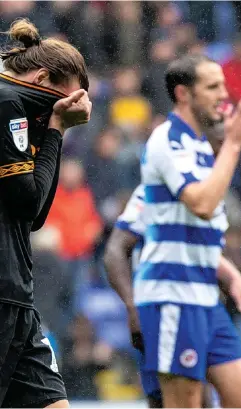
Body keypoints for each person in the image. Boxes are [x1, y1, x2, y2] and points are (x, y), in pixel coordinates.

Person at [134, 53, 241, 408]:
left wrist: (232, 277)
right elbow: (200, 203)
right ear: (184, 94)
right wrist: (232, 144)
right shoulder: (167, 140)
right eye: (213, 86)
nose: (223, 94)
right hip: (172, 295)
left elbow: (198, 230)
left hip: (204, 297)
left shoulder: (201, 147)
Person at [104, 182, 241, 408]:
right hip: (165, 307)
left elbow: (211, 260)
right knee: (174, 401)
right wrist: (132, 307)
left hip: (205, 307)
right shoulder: (155, 190)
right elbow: (115, 250)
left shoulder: (215, 194)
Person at [0, 19, 91, 408]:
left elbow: (32, 216)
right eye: (65, 100)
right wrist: (56, 130)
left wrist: (56, 129)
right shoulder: (7, 103)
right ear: (40, 77)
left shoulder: (19, 107)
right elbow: (28, 203)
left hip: (17, 295)